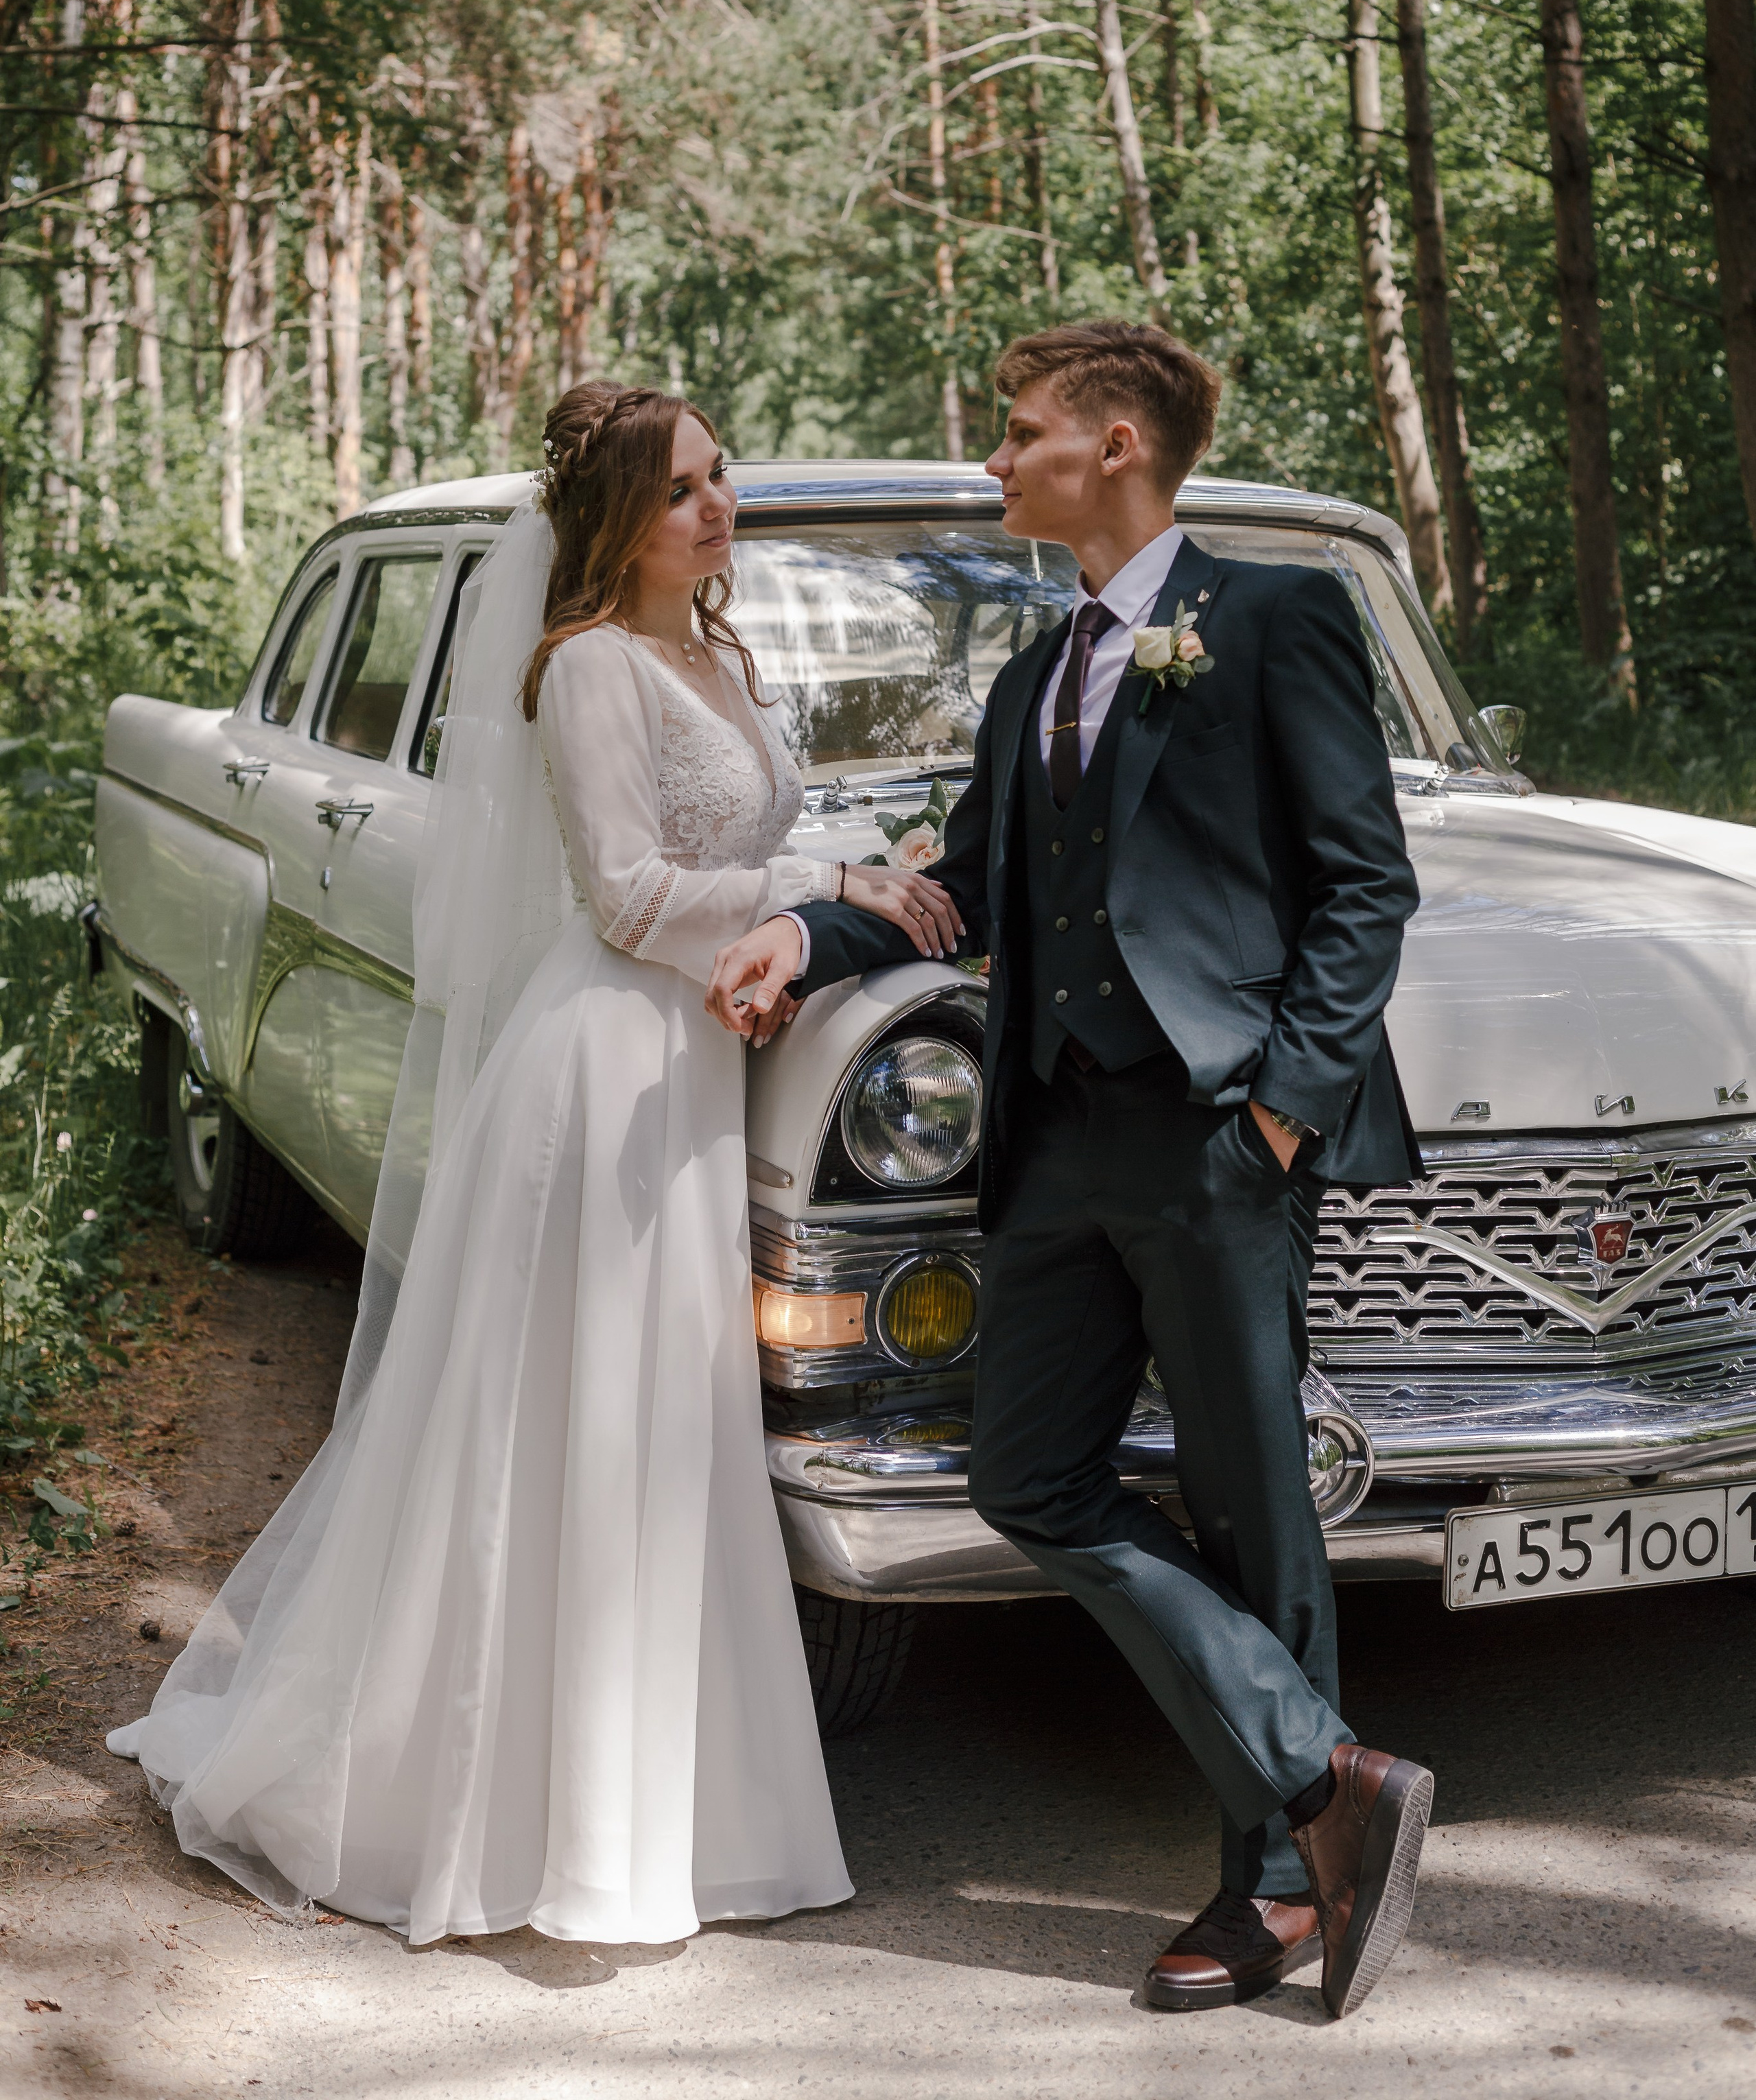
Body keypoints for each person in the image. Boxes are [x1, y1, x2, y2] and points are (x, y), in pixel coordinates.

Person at [108, 382, 958, 1947]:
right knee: (580, 1426)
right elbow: (632, 897)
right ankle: (510, 1815)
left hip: (698, 1063)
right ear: (611, 524)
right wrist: (818, 879)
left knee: (661, 1430)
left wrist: (840, 889)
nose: (716, 508)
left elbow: (733, 847)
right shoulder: (584, 669)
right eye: (679, 492)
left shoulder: (712, 650)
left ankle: (655, 1807)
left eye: (720, 477)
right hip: (611, 1066)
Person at [707, 322, 1434, 2020]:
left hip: (1211, 1138)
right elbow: (951, 886)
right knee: (1029, 1479)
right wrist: (795, 938)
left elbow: (1361, 886)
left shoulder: (1270, 618)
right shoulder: (1034, 677)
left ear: (1113, 445)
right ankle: (1331, 1773)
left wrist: (1275, 1107)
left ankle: (1276, 1887)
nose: (995, 459)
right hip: (1049, 1148)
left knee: (1257, 1510)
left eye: (1019, 434)